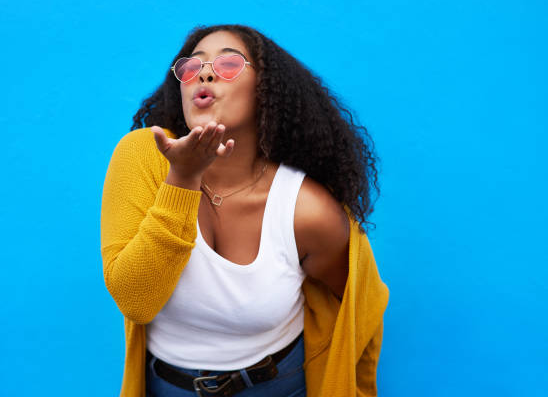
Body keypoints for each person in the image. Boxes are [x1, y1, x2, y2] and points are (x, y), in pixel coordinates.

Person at [101, 24, 389, 397]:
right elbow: (135, 300)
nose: (203, 73)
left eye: (228, 64)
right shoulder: (144, 156)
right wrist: (182, 179)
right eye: (190, 67)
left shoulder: (306, 211)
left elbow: (359, 313)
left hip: (278, 386)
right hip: (166, 387)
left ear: (265, 89)